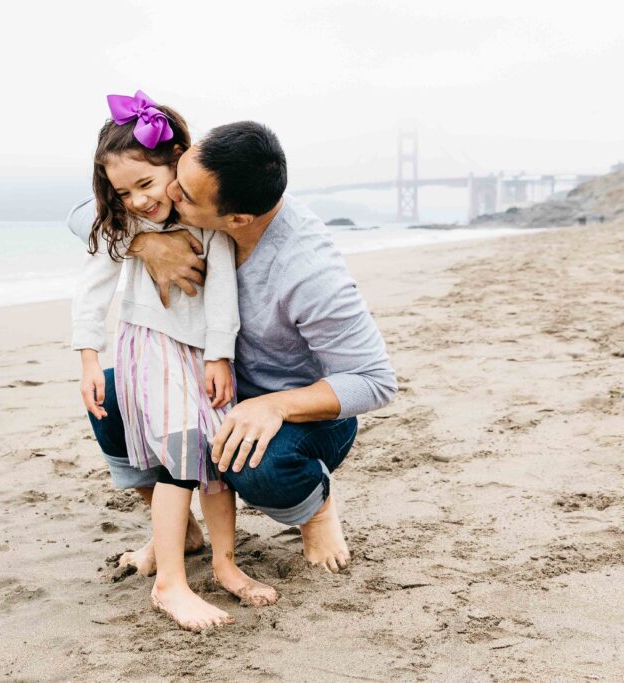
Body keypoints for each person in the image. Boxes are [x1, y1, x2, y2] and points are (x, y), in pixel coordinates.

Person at [68, 119, 397, 575]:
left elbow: (375, 382)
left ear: (235, 219)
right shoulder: (207, 179)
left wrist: (276, 406)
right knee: (113, 394)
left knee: (253, 464)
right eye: (176, 179)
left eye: (183, 195)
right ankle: (180, 530)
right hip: (210, 384)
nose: (168, 198)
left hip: (305, 413)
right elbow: (88, 213)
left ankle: (317, 511)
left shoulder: (309, 273)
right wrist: (145, 242)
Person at [72, 89, 277, 632]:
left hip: (202, 357)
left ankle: (226, 564)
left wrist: (220, 355)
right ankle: (170, 584)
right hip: (148, 348)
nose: (139, 200)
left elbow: (222, 294)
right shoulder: (125, 228)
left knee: (217, 456)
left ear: (178, 164)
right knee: (181, 454)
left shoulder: (206, 218)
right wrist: (89, 359)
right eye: (124, 191)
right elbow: (91, 291)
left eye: (146, 183)